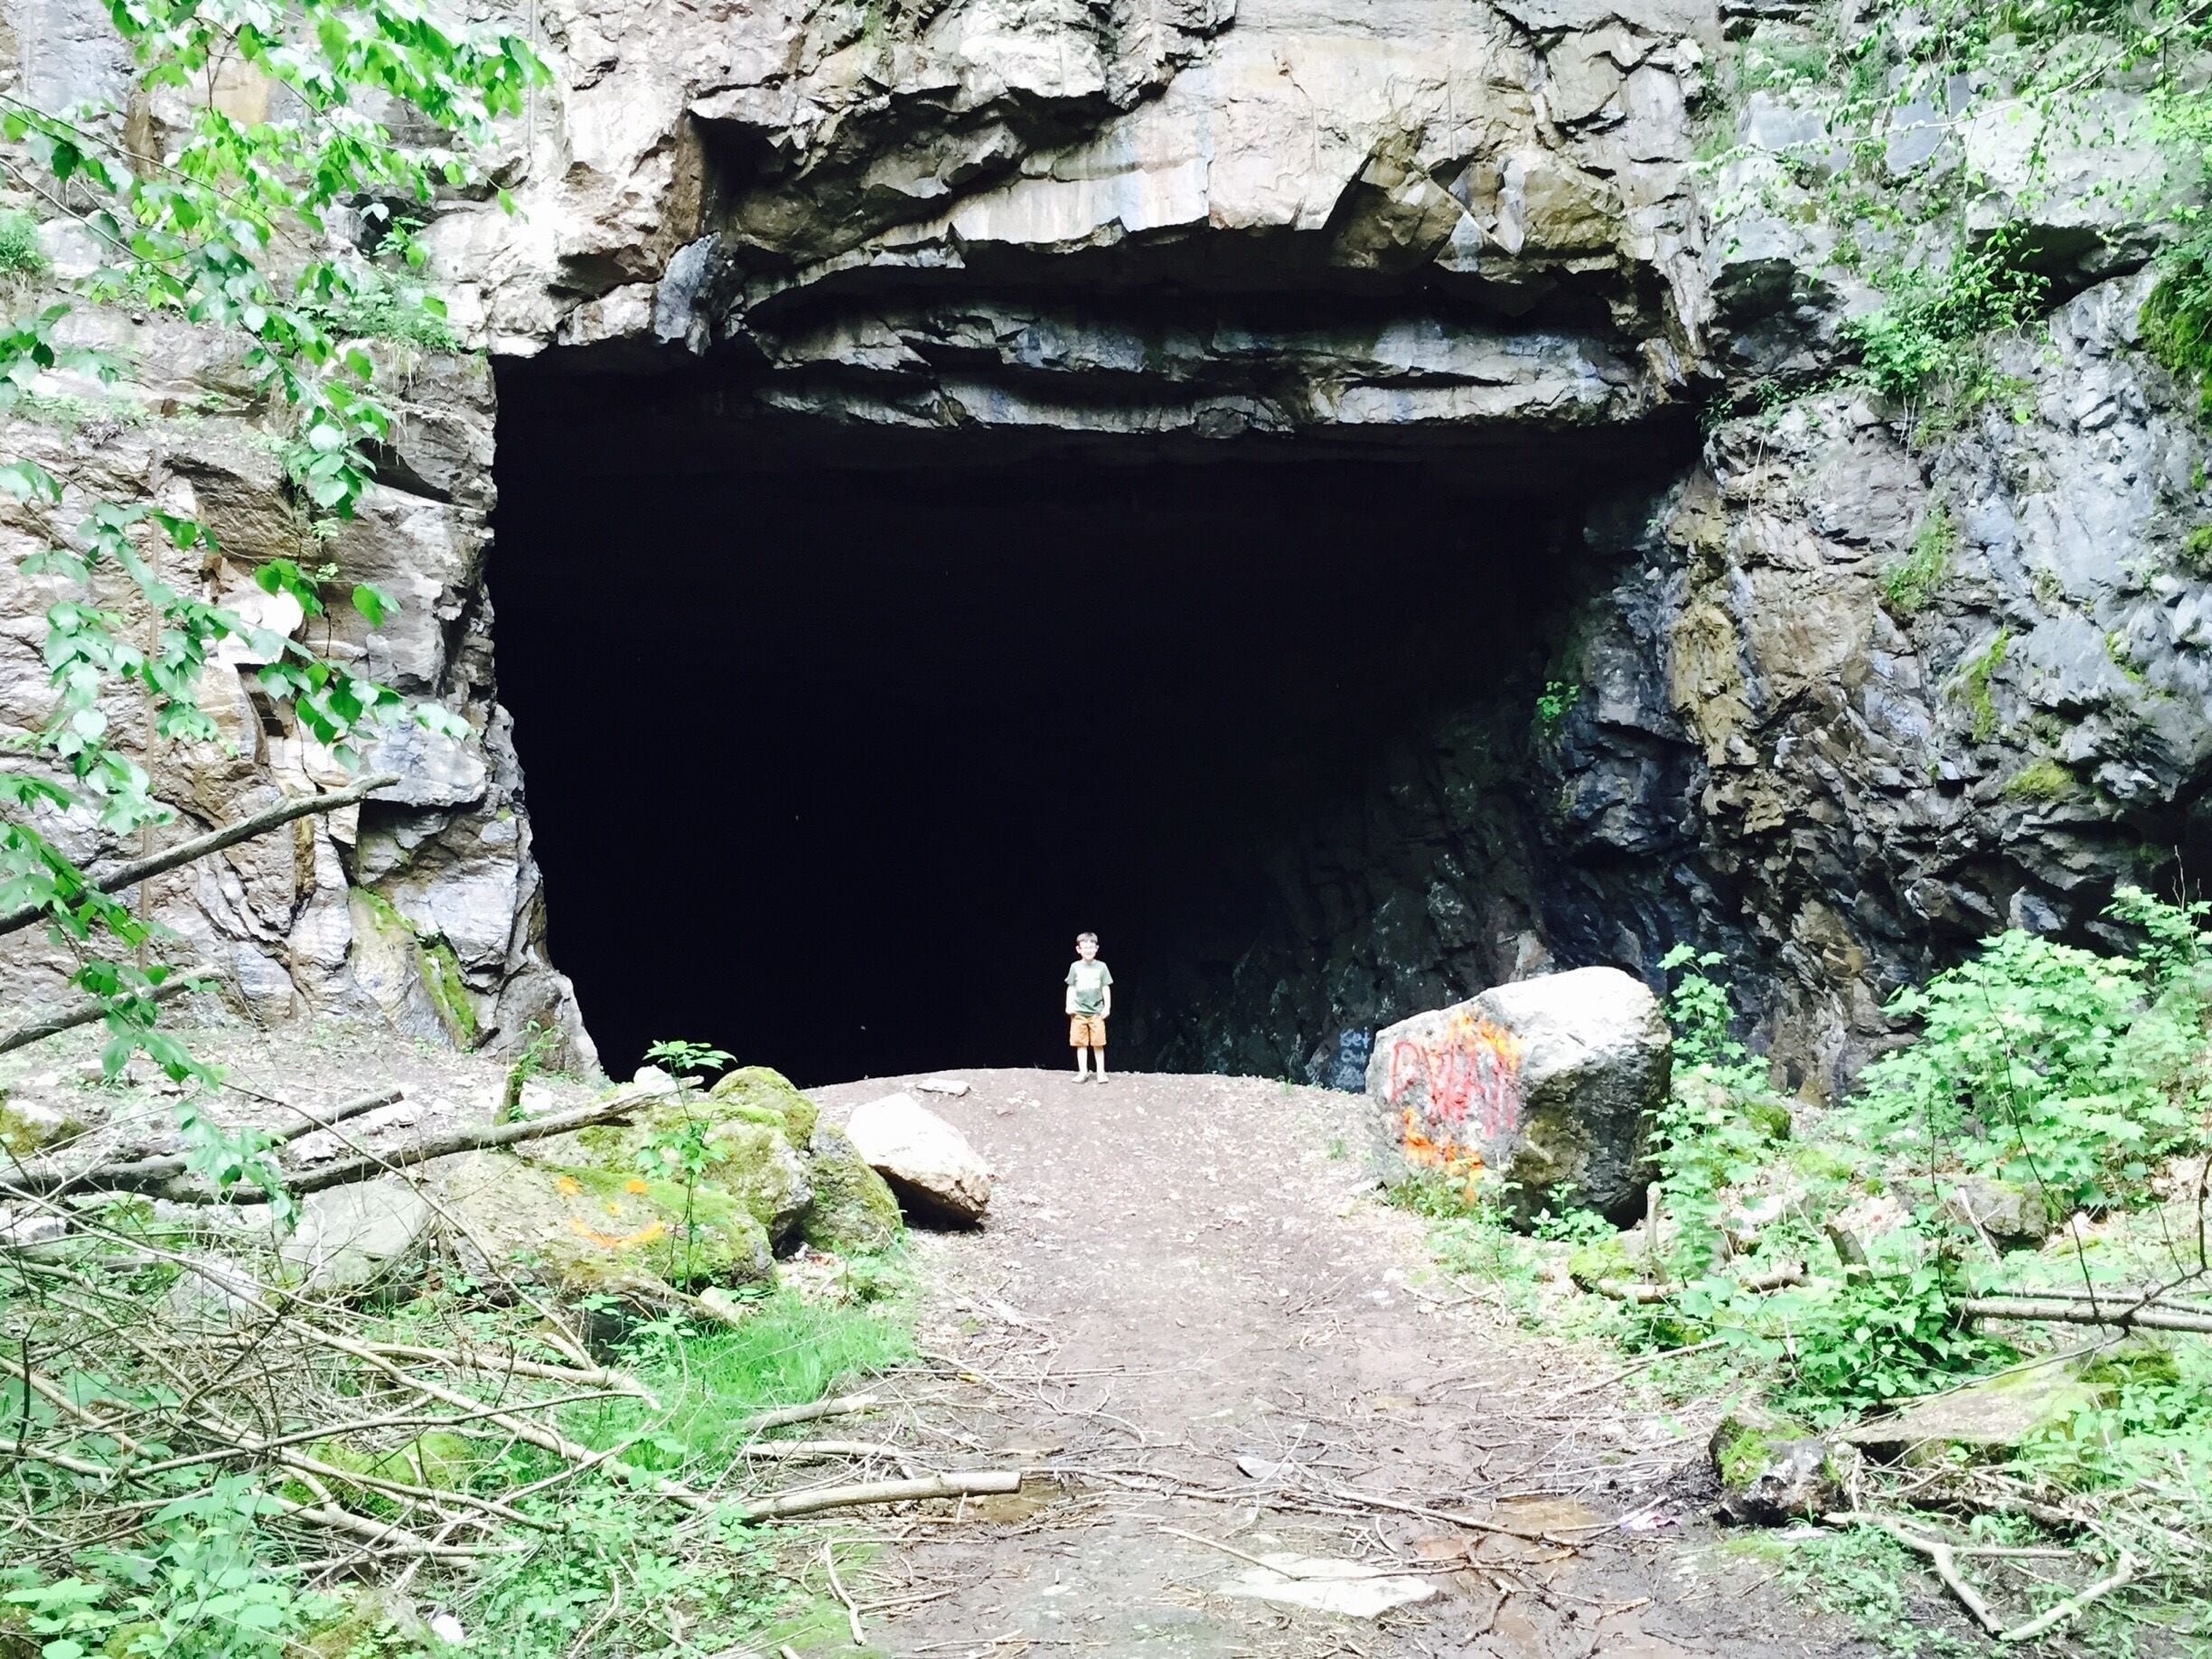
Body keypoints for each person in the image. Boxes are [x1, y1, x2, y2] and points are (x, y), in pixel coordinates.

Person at [1064, 932, 1113, 1083]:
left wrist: (1107, 1007)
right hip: (1078, 1012)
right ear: (1078, 949)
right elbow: (1071, 987)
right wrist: (1069, 1004)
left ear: (1097, 948)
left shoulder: (1102, 967)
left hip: (1096, 1012)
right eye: (1085, 947)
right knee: (1081, 1043)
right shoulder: (1075, 967)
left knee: (1098, 1043)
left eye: (1091, 947)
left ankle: (1101, 1073)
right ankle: (1083, 1072)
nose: (1089, 950)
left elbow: (1106, 987)